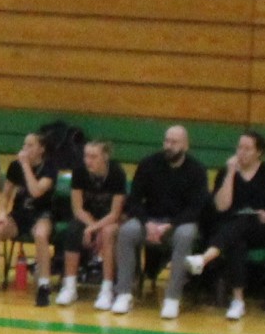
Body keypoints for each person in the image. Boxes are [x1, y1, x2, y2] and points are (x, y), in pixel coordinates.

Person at [111, 126, 208, 319]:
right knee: (127, 232)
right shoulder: (148, 164)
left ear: (185, 145)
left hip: (178, 224)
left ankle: (172, 298)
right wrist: (147, 223)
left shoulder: (197, 170)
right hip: (150, 221)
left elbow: (196, 208)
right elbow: (134, 200)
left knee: (186, 235)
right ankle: (124, 294)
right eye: (167, 141)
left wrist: (171, 225)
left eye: (174, 142)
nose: (169, 146)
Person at [185, 132, 265, 320]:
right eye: (239, 147)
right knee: (237, 241)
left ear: (259, 152)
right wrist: (230, 174)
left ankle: (204, 258)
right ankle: (238, 301)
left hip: (260, 228)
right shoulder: (225, 173)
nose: (242, 152)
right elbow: (222, 206)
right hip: (232, 230)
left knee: (242, 222)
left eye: (247, 149)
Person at [0, 133, 57, 305]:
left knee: (40, 234)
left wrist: (25, 166)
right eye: (24, 145)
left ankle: (44, 285)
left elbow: (36, 191)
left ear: (41, 149)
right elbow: (5, 195)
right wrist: (1, 213)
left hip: (42, 214)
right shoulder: (15, 166)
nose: (25, 149)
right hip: (19, 214)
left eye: (30, 145)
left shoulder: (49, 168)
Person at [59, 140, 126, 308]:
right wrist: (91, 227)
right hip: (87, 217)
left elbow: (115, 213)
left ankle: (107, 289)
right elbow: (77, 209)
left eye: (93, 157)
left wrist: (95, 228)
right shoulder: (79, 171)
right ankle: (70, 286)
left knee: (107, 233)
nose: (88, 161)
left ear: (105, 157)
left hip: (110, 219)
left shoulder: (117, 172)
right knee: (73, 230)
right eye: (86, 156)